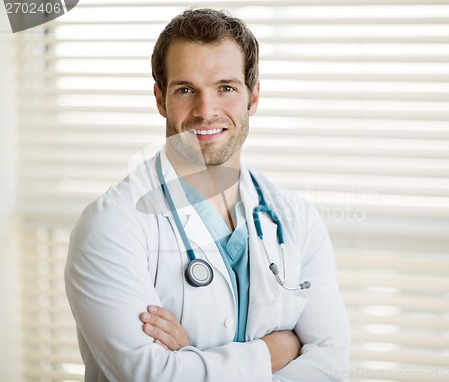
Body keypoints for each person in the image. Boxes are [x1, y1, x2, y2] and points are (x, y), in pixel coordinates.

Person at [65, 8, 350, 382]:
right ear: (159, 99)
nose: (206, 110)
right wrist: (275, 350)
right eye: (185, 90)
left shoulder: (296, 219)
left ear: (254, 97)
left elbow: (331, 367)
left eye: (226, 88)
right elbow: (151, 376)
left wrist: (192, 360)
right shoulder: (112, 225)